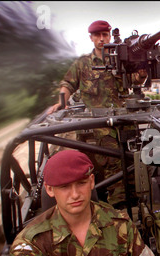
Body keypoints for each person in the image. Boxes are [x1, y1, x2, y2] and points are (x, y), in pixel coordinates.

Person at [9, 149, 160, 256]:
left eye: (81, 183)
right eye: (65, 187)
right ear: (50, 190)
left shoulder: (119, 223)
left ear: (92, 181)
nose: (75, 194)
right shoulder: (31, 241)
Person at [47, 20, 147, 208]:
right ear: (91, 38)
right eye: (98, 35)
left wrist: (142, 74)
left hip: (124, 123)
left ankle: (132, 208)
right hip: (99, 128)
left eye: (105, 35)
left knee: (133, 166)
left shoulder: (121, 61)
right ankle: (120, 211)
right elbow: (68, 84)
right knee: (115, 169)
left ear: (109, 36)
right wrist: (61, 103)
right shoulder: (83, 64)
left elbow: (136, 79)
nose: (102, 39)